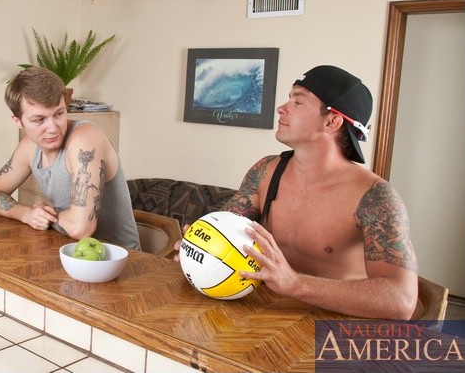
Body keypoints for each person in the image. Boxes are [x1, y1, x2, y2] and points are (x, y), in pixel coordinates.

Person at [179, 65, 418, 320]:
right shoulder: (265, 170)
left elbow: (401, 300)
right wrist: (199, 246)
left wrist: (295, 284)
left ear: (332, 121)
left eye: (298, 102)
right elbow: (227, 230)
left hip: (328, 327)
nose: (281, 108)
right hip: (261, 313)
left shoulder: (375, 197)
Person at [0, 67, 140, 250]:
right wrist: (27, 214)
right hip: (69, 251)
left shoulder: (85, 140)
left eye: (58, 114)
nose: (53, 128)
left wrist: (46, 218)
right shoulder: (28, 148)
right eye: (39, 120)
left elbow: (81, 228)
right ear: (18, 121)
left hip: (120, 259)